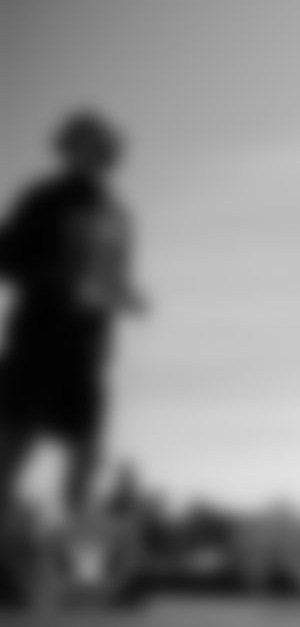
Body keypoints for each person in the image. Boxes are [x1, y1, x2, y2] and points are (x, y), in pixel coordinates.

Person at [0, 112, 147, 605]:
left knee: (85, 461)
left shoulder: (118, 214)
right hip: (37, 340)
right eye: (87, 144)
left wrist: (126, 295)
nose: (98, 153)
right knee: (12, 451)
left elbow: (118, 275)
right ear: (69, 148)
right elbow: (7, 257)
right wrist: (57, 275)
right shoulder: (43, 199)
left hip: (87, 350)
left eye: (104, 145)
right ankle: (5, 568)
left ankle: (80, 576)